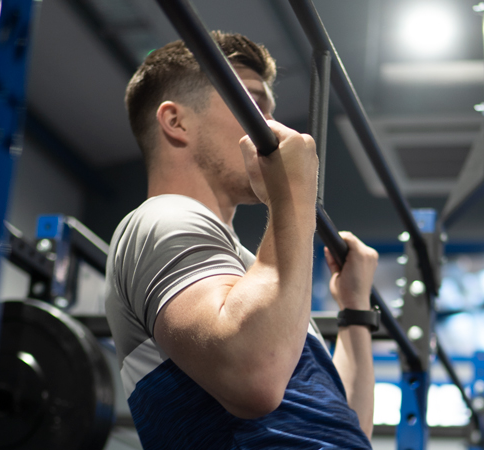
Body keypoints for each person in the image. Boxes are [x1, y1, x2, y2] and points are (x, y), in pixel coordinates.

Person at [104, 31, 378, 449]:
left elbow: (340, 424)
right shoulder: (161, 219)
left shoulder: (257, 276)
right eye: (250, 103)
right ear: (175, 122)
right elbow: (256, 381)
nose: (270, 127)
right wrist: (293, 195)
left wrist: (354, 311)